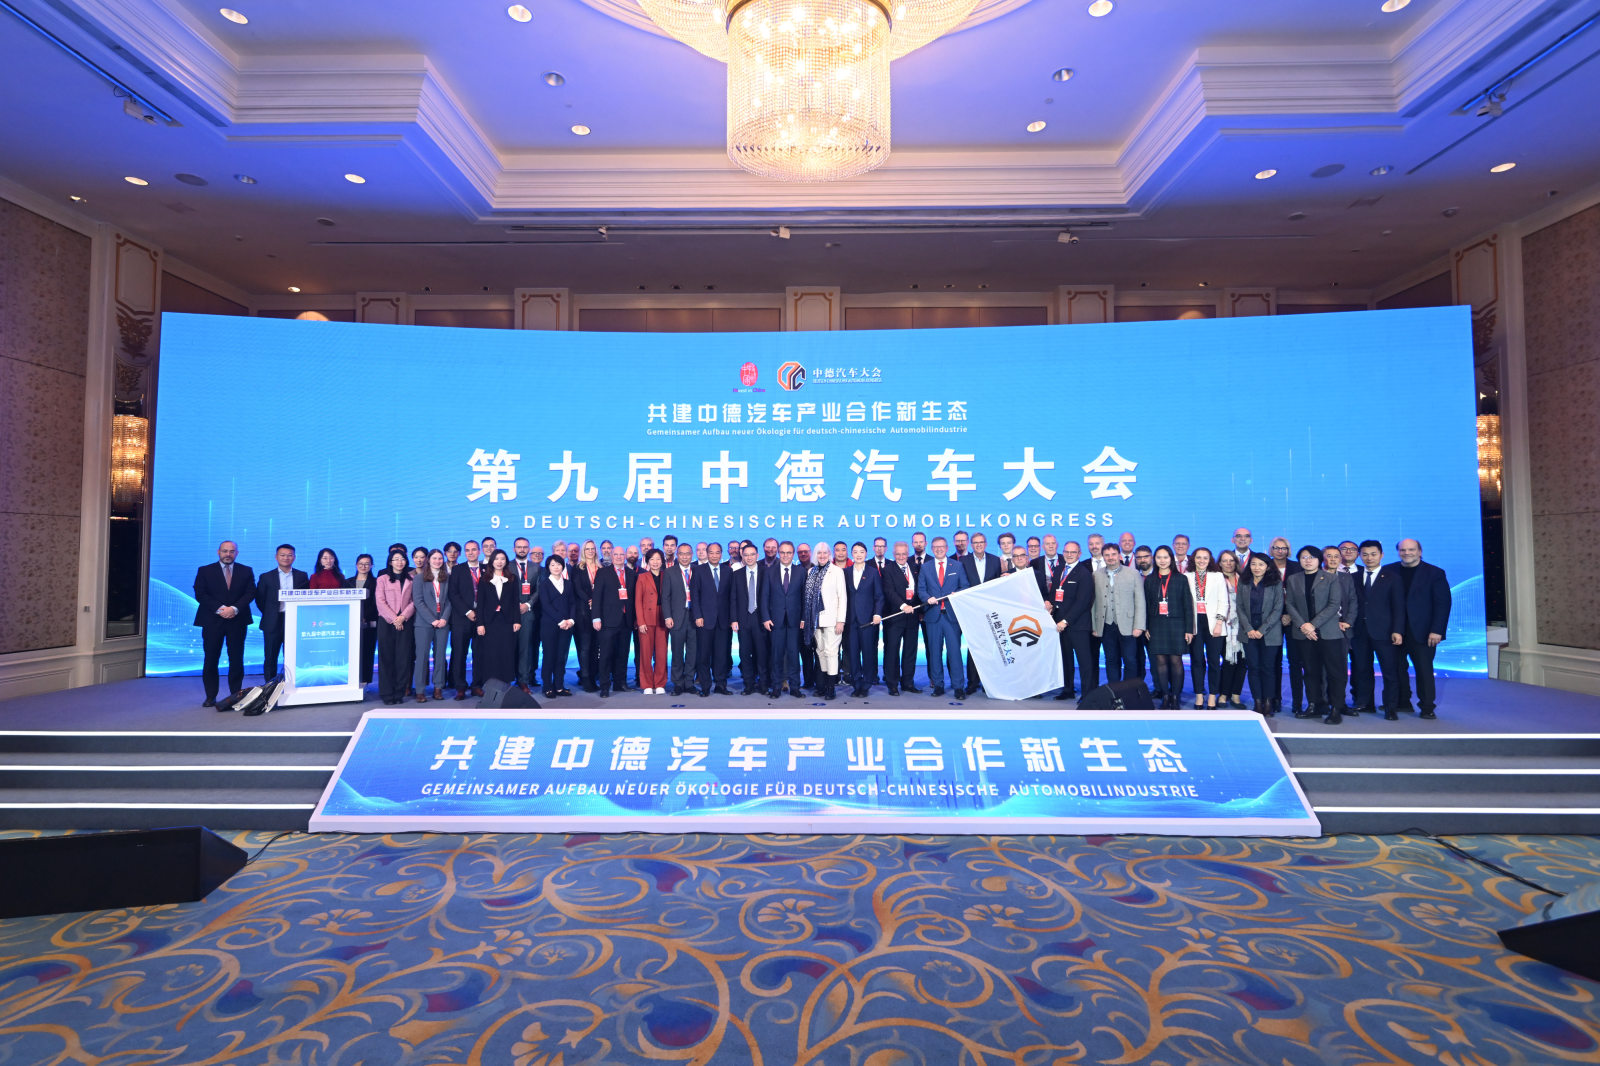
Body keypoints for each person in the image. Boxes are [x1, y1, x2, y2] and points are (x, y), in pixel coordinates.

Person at [1285, 544, 1355, 725]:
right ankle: (1314, 705)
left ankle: (1336, 708)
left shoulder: (1331, 578)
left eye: (1312, 557)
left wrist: (1312, 625)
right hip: (1304, 634)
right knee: (1310, 671)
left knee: (1335, 672)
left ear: (1319, 560)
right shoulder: (1293, 579)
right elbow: (1290, 604)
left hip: (1328, 632)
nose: (1308, 561)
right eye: (1304, 557)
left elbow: (1334, 604)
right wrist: (1304, 625)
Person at [1387, 538, 1451, 719]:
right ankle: (1403, 702)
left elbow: (1443, 603)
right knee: (1397, 669)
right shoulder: (1388, 571)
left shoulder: (1435, 573)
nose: (1407, 553)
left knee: (1424, 671)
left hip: (1424, 632)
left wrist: (1437, 630)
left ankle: (1427, 707)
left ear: (1420, 551)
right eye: (1403, 550)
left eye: (1411, 549)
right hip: (1395, 631)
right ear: (1398, 552)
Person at [192, 540, 255, 707]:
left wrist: (234, 609)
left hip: (237, 620)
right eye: (225, 551)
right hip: (212, 621)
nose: (228, 554)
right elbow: (200, 593)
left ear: (237, 553)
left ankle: (236, 695)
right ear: (218, 552)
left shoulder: (246, 570)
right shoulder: (205, 570)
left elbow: (250, 593)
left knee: (236, 659)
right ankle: (210, 697)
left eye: (232, 551)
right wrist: (221, 609)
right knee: (211, 659)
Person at [1352, 539, 1407, 719]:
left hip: (1385, 632)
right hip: (1359, 631)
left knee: (1389, 671)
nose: (1369, 558)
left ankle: (1390, 707)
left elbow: (1399, 606)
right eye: (1365, 554)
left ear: (1381, 555)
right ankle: (1365, 704)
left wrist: (1398, 630)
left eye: (1373, 554)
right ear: (1359, 556)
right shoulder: (1354, 577)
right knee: (1362, 669)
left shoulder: (1392, 577)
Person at [1140, 546, 1193, 709]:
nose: (1162, 561)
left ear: (1171, 559)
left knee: (1176, 660)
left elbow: (1188, 606)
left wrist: (1189, 629)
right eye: (1159, 558)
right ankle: (1165, 695)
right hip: (1156, 625)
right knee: (1160, 661)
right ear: (1154, 560)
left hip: (1177, 625)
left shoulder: (1181, 579)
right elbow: (1146, 605)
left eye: (1165, 557)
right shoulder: (1150, 580)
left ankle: (1175, 696)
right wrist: (1146, 627)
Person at [917, 536, 968, 698]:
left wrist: (956, 594)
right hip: (933, 616)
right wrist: (927, 598)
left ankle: (958, 687)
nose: (939, 549)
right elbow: (921, 589)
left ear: (947, 548)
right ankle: (938, 685)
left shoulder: (957, 566)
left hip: (951, 616)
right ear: (932, 549)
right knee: (934, 653)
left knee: (955, 653)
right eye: (936, 547)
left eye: (942, 546)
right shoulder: (926, 567)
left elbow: (965, 586)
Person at [1046, 540, 1095, 700]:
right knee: (1065, 659)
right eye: (1066, 552)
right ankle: (1068, 690)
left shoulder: (1084, 573)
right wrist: (1050, 604)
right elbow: (1055, 592)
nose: (1069, 555)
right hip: (1059, 624)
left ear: (1079, 554)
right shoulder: (1059, 569)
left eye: (1073, 552)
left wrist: (1066, 621)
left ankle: (1087, 694)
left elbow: (1083, 602)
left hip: (1077, 625)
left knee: (1084, 661)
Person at [1092, 545, 1145, 683]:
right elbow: (1093, 603)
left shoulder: (1133, 573)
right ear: (1103, 557)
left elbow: (1140, 601)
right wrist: (1095, 626)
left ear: (1119, 555)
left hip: (1129, 625)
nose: (1110, 557)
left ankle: (1129, 690)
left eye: (1113, 554)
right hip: (1106, 625)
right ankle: (1115, 691)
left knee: (1130, 660)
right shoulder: (1096, 575)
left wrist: (1139, 626)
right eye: (1107, 555)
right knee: (1111, 660)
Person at [255, 543, 308, 679]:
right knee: (270, 657)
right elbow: (260, 600)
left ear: (294, 557)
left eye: (289, 555)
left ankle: (291, 684)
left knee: (292, 656)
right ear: (276, 557)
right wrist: (270, 613)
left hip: (294, 620)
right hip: (273, 621)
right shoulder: (266, 577)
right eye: (282, 555)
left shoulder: (302, 576)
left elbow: (306, 598)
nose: (286, 558)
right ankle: (269, 687)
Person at [762, 541, 807, 698]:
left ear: (793, 554)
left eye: (789, 553)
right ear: (779, 553)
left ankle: (795, 687)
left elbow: (804, 597)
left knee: (794, 655)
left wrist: (804, 618)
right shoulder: (769, 571)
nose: (786, 555)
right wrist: (766, 618)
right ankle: (776, 687)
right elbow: (764, 596)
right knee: (776, 655)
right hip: (775, 621)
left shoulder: (801, 571)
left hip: (795, 621)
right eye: (783, 552)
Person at [1240, 555, 1284, 715]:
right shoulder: (1244, 582)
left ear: (1268, 566)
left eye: (1261, 564)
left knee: (1268, 668)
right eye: (1253, 564)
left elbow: (1278, 608)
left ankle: (1268, 702)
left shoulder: (1276, 583)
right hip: (1249, 632)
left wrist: (1262, 630)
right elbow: (1239, 607)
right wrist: (1249, 628)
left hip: (1270, 632)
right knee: (1253, 668)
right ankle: (1257, 702)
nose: (1257, 567)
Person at [1184, 547, 1228, 708]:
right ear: (1193, 559)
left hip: (1214, 623)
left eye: (1205, 558)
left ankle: (1212, 696)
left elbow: (1224, 601)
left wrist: (1219, 623)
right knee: (1196, 660)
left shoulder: (1218, 576)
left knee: (1214, 661)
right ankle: (1199, 695)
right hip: (1194, 623)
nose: (1201, 561)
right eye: (1198, 557)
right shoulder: (1186, 576)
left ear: (1210, 560)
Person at [841, 542, 885, 698]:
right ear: (851, 554)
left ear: (866, 554)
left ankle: (866, 684)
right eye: (855, 552)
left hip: (867, 621)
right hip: (850, 620)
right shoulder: (845, 572)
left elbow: (879, 596)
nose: (858, 555)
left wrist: (877, 613)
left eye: (861, 552)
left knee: (868, 653)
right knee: (852, 654)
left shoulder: (873, 572)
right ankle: (856, 684)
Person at [591, 547, 636, 697]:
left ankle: (620, 683)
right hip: (607, 621)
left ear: (625, 556)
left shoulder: (631, 573)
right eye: (615, 554)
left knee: (622, 654)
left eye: (621, 554)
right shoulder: (603, 572)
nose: (618, 557)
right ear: (611, 556)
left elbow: (633, 598)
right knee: (606, 655)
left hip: (626, 620)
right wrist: (596, 618)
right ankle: (604, 686)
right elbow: (597, 596)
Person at [805, 541, 848, 699]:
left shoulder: (837, 571)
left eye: (825, 553)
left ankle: (831, 688)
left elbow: (842, 597)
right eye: (819, 553)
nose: (822, 556)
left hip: (832, 620)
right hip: (816, 620)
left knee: (831, 653)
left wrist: (840, 620)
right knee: (820, 652)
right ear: (815, 555)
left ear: (829, 554)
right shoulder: (811, 571)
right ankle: (822, 686)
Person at [960, 533, 1001, 693]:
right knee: (974, 646)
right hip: (971, 610)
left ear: (986, 543)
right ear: (971, 545)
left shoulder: (995, 560)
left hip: (990, 610)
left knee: (991, 647)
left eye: (981, 542)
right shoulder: (963, 561)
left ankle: (988, 682)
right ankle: (972, 682)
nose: (978, 545)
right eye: (975, 543)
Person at [473, 548, 520, 686]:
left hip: (507, 621)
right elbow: (481, 603)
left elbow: (515, 601)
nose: (499, 562)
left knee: (506, 652)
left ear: (506, 561)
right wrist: (480, 623)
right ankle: (490, 684)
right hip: (489, 621)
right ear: (492, 561)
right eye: (496, 559)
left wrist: (517, 620)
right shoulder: (484, 579)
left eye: (502, 559)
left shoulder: (512, 578)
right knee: (491, 653)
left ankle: (506, 682)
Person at [692, 541, 734, 696]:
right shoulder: (698, 570)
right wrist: (698, 615)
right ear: (707, 554)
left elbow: (732, 597)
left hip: (723, 621)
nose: (714, 555)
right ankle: (705, 686)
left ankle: (721, 685)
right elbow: (695, 595)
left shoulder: (728, 571)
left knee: (721, 655)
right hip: (704, 620)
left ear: (721, 554)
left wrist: (732, 618)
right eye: (711, 552)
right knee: (703, 655)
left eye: (717, 552)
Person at [374, 549, 414, 705]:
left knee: (403, 659)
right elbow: (380, 601)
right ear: (390, 562)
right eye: (396, 559)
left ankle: (399, 693)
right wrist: (394, 618)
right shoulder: (382, 579)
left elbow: (414, 601)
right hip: (386, 623)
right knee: (386, 658)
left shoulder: (411, 579)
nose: (399, 562)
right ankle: (386, 693)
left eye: (402, 559)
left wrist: (403, 617)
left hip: (405, 622)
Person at [880, 541, 920, 695]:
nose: (901, 557)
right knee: (892, 651)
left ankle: (908, 682)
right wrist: (903, 606)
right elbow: (889, 592)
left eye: (904, 554)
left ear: (908, 554)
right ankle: (892, 683)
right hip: (895, 617)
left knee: (910, 651)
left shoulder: (915, 567)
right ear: (893, 554)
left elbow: (918, 590)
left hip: (912, 616)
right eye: (898, 554)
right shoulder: (887, 569)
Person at [447, 540, 484, 699]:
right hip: (462, 619)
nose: (471, 553)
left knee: (480, 654)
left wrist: (481, 613)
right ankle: (460, 687)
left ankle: (477, 685)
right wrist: (467, 611)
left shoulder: (487, 568)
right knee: (459, 654)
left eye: (474, 550)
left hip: (482, 619)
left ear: (479, 551)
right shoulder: (457, 569)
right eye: (468, 550)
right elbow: (453, 594)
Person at [412, 549, 450, 702]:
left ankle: (438, 688)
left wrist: (444, 618)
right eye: (434, 558)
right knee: (422, 657)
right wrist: (432, 620)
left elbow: (450, 600)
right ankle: (420, 690)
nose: (437, 561)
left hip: (443, 622)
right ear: (429, 560)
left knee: (440, 656)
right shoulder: (419, 578)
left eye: (440, 558)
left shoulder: (447, 577)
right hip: (423, 623)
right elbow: (418, 601)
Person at [661, 543, 698, 696]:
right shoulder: (669, 572)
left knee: (692, 652)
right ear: (677, 555)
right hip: (676, 618)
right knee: (676, 652)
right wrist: (667, 616)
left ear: (692, 555)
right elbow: (665, 597)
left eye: (687, 553)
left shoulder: (698, 570)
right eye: (681, 554)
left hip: (695, 618)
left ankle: (689, 682)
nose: (684, 557)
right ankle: (677, 683)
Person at [731, 542, 767, 695]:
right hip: (743, 619)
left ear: (757, 556)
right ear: (742, 557)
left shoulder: (767, 572)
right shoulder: (737, 574)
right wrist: (734, 619)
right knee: (744, 654)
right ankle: (748, 685)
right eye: (746, 555)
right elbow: (733, 598)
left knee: (762, 653)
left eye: (752, 554)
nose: (749, 557)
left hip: (761, 619)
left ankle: (764, 684)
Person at [539, 555, 577, 697]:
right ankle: (547, 686)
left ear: (563, 566)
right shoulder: (544, 584)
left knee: (561, 656)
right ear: (548, 567)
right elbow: (546, 605)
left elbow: (573, 603)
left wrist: (571, 620)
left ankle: (559, 686)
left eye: (559, 564)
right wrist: (561, 621)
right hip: (550, 625)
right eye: (552, 565)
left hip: (567, 626)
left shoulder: (568, 583)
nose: (556, 567)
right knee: (549, 655)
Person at [1215, 550, 1248, 708]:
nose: (1228, 563)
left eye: (1231, 560)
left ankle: (1236, 695)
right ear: (1219, 563)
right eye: (1224, 560)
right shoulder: (1216, 579)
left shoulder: (1245, 579)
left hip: (1243, 626)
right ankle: (1223, 695)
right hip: (1223, 627)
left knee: (1242, 662)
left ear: (1236, 562)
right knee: (1228, 661)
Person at [635, 549, 668, 694]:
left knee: (661, 654)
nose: (655, 562)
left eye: (658, 559)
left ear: (662, 561)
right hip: (646, 619)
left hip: (663, 618)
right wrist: (640, 621)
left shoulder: (667, 576)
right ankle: (647, 683)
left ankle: (660, 683)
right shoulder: (642, 577)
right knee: (645, 654)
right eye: (652, 559)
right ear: (647, 561)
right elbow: (637, 601)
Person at [345, 553, 378, 689]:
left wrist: (364, 615)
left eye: (367, 564)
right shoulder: (348, 582)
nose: (363, 566)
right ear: (356, 565)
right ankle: (351, 680)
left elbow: (376, 603)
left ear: (371, 566)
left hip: (369, 622)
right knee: (352, 652)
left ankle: (365, 680)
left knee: (368, 651)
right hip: (351, 623)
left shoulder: (376, 582)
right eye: (361, 563)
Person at [512, 537, 541, 695]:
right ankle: (508, 678)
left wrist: (528, 604)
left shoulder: (536, 567)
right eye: (519, 547)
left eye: (524, 547)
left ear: (528, 549)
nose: (522, 549)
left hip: (528, 612)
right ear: (514, 549)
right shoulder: (506, 566)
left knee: (525, 648)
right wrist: (514, 605)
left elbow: (538, 590)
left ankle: (523, 681)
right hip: (509, 614)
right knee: (509, 647)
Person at [572, 541, 602, 692]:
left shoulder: (601, 568)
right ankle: (585, 678)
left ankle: (593, 676)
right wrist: (591, 600)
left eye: (592, 549)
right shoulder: (578, 568)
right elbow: (577, 589)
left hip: (599, 613)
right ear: (583, 551)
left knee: (596, 647)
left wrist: (597, 602)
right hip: (583, 613)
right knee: (585, 647)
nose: (590, 551)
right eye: (587, 549)